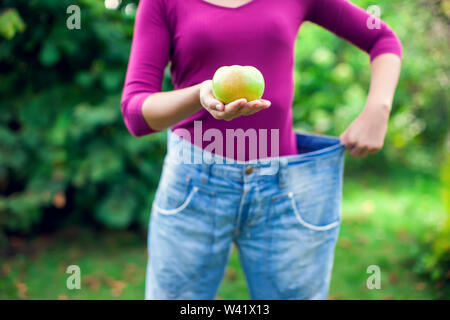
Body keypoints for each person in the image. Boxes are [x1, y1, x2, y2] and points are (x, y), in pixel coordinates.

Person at [121, 0, 402, 299]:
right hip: (194, 182)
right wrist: (200, 95)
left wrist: (379, 108)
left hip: (284, 189)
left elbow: (381, 38)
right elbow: (136, 112)